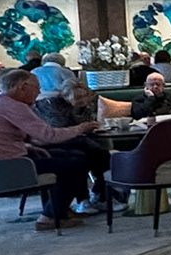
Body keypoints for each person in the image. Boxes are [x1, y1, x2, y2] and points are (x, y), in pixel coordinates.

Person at [0, 68, 100, 230]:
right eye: (36, 87)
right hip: (4, 167)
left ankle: (60, 209)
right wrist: (81, 128)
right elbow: (49, 135)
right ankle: (50, 217)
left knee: (72, 154)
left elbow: (0, 137)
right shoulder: (12, 106)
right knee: (75, 162)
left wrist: (27, 146)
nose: (39, 92)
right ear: (22, 87)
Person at [33, 77, 112, 208]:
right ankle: (84, 199)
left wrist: (83, 119)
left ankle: (100, 194)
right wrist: (82, 126)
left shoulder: (87, 105)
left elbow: (88, 123)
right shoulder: (52, 104)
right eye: (77, 97)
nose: (83, 100)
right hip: (48, 142)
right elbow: (58, 130)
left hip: (74, 140)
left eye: (85, 96)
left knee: (99, 152)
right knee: (85, 154)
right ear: (65, 96)